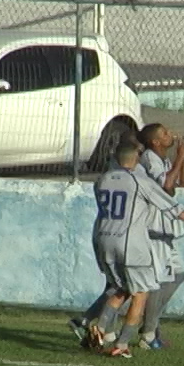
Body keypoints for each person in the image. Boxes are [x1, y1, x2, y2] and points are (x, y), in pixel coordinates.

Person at [88, 141, 184, 358]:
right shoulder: (140, 181)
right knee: (140, 293)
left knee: (120, 288)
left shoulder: (102, 180)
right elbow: (174, 209)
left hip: (103, 239)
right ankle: (122, 344)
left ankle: (100, 328)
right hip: (130, 244)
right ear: (135, 159)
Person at [67, 129, 144, 344]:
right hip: (122, 237)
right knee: (124, 288)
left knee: (116, 286)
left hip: (102, 233)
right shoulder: (132, 177)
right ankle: (99, 328)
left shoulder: (107, 177)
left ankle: (93, 326)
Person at [136, 122, 184, 349]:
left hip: (166, 227)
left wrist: (183, 158)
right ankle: (149, 332)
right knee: (158, 281)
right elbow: (166, 186)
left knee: (178, 275)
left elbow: (182, 182)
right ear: (155, 142)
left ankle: (150, 323)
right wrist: (179, 158)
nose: (170, 135)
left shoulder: (164, 160)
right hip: (154, 229)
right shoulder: (149, 158)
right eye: (165, 134)